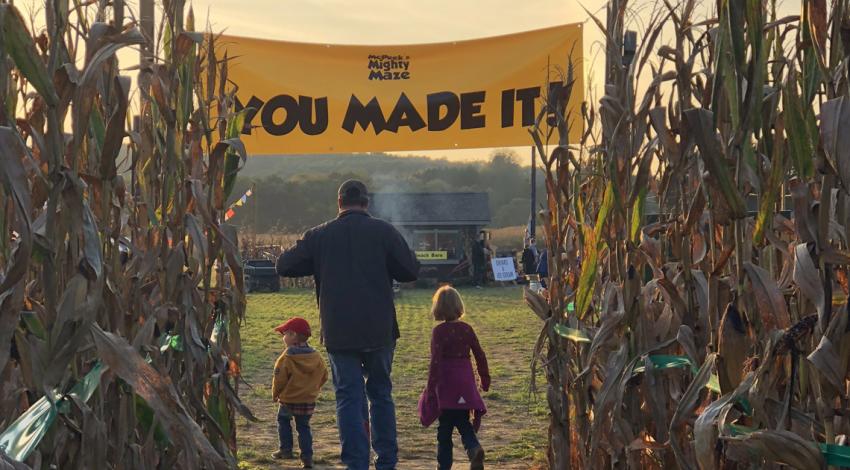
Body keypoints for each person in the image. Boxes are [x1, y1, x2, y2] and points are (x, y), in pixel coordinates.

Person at [276, 180, 420, 470]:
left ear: (339, 202)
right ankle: (387, 461)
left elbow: (284, 266)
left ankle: (356, 463)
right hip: (379, 329)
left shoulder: (320, 235)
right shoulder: (384, 231)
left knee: (348, 397)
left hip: (339, 331)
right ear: (367, 203)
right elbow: (410, 270)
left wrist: (318, 261)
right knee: (380, 394)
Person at [418, 286, 489, 470]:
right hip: (465, 380)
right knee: (463, 422)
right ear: (459, 306)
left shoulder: (438, 332)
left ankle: (444, 466)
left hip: (446, 384)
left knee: (445, 430)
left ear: (439, 308)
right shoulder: (467, 329)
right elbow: (480, 354)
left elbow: (435, 362)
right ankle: (474, 449)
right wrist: (484, 377)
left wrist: (431, 389)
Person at [271, 317, 329, 469]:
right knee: (304, 427)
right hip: (308, 400)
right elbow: (324, 375)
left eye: (284, 334)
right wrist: (314, 388)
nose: (283, 338)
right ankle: (307, 458)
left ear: (293, 335)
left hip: (288, 399)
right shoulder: (317, 357)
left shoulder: (286, 358)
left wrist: (275, 394)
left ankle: (285, 450)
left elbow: (279, 379)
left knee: (283, 421)